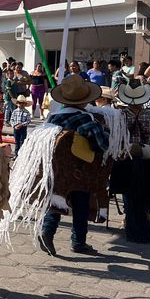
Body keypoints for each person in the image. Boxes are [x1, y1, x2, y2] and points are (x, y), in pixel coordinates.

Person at [39, 75, 109, 256]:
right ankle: (78, 242)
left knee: (57, 198)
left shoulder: (52, 117)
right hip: (80, 170)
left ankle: (47, 230)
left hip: (56, 168)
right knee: (81, 205)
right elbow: (102, 144)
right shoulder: (86, 120)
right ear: (84, 101)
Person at [111, 80, 150, 244]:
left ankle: (130, 217)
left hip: (125, 157)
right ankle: (146, 211)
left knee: (128, 189)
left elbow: (115, 135)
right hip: (147, 157)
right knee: (149, 187)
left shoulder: (119, 114)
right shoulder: (149, 114)